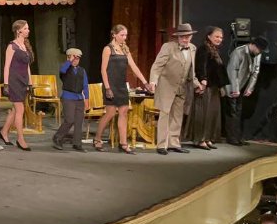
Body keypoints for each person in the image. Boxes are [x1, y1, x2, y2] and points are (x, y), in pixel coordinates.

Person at [93, 24, 151, 154]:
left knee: (123, 113)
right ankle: (97, 138)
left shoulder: (125, 49)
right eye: (122, 35)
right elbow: (103, 70)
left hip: (121, 86)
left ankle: (123, 143)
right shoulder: (108, 49)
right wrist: (107, 88)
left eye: (125, 35)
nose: (124, 37)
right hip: (110, 85)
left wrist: (145, 82)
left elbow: (134, 67)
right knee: (110, 113)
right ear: (114, 35)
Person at [149, 23, 202, 156]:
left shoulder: (192, 48)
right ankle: (162, 145)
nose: (185, 39)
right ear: (178, 37)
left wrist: (196, 84)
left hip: (182, 87)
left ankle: (173, 143)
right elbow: (157, 65)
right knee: (165, 115)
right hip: (166, 86)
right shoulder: (168, 47)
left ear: (191, 37)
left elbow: (191, 71)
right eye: (182, 37)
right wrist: (153, 81)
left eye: (187, 36)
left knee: (177, 116)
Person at [183, 26, 227, 150]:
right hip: (205, 86)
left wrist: (221, 86)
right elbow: (200, 66)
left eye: (221, 37)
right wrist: (202, 81)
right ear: (209, 36)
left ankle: (208, 138)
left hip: (214, 87)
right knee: (203, 114)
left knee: (212, 114)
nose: (219, 39)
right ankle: (200, 139)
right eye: (216, 36)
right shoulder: (204, 49)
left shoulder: (215, 50)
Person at [224, 36, 268, 145]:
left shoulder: (257, 54)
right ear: (253, 45)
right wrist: (235, 89)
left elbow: (255, 72)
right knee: (232, 112)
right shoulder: (238, 52)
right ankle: (232, 138)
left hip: (243, 86)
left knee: (239, 112)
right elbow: (232, 71)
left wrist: (250, 88)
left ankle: (237, 136)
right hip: (232, 86)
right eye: (259, 49)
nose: (260, 52)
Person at [0, 20, 34, 151]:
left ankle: (3, 132)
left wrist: (30, 82)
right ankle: (20, 139)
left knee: (15, 109)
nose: (28, 30)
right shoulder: (12, 46)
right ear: (19, 31)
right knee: (20, 109)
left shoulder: (24, 45)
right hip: (14, 81)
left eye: (28, 28)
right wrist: (6, 84)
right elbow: (6, 66)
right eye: (25, 28)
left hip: (23, 81)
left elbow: (27, 66)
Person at [52, 48, 89, 153]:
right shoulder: (65, 69)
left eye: (78, 58)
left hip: (79, 98)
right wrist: (69, 60)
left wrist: (86, 98)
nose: (76, 60)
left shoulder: (82, 70)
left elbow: (85, 85)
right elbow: (62, 70)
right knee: (69, 120)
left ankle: (77, 143)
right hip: (68, 97)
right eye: (74, 58)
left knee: (79, 121)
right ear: (68, 57)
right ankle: (58, 137)